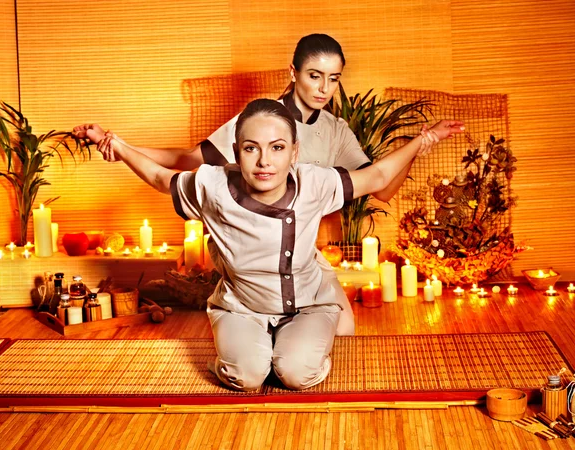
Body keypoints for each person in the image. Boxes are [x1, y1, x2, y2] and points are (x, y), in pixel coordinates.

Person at [74, 33, 464, 335]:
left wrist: (421, 143)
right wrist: (122, 147)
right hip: (249, 261)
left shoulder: (336, 130)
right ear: (293, 73)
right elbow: (189, 161)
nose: (323, 88)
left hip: (303, 260)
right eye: (314, 76)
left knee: (344, 331)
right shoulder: (259, 120)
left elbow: (381, 187)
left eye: (333, 79)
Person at [94, 98, 460, 391]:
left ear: (294, 153)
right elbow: (161, 177)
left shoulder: (315, 182)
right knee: (248, 377)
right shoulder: (212, 186)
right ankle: (252, 349)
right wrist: (119, 147)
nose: (265, 161)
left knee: (297, 375)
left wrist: (423, 140)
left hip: (309, 305)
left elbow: (377, 176)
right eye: (251, 148)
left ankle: (296, 344)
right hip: (242, 307)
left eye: (277, 147)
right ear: (236, 153)